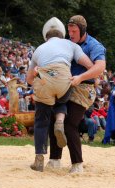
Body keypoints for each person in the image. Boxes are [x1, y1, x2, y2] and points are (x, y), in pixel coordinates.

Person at [26, 17, 95, 172]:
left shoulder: (39, 49)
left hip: (44, 79)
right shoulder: (71, 45)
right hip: (64, 79)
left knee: (41, 121)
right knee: (62, 98)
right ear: (62, 35)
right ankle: (60, 119)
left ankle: (39, 159)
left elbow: (29, 79)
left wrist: (40, 79)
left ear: (46, 37)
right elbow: (89, 65)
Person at [47, 15, 106, 173]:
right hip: (64, 86)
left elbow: (100, 68)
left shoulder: (94, 45)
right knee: (54, 121)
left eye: (74, 31)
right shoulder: (65, 43)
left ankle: (77, 164)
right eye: (69, 30)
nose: (70, 34)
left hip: (84, 88)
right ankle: (54, 160)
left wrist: (81, 77)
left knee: (69, 124)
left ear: (83, 30)